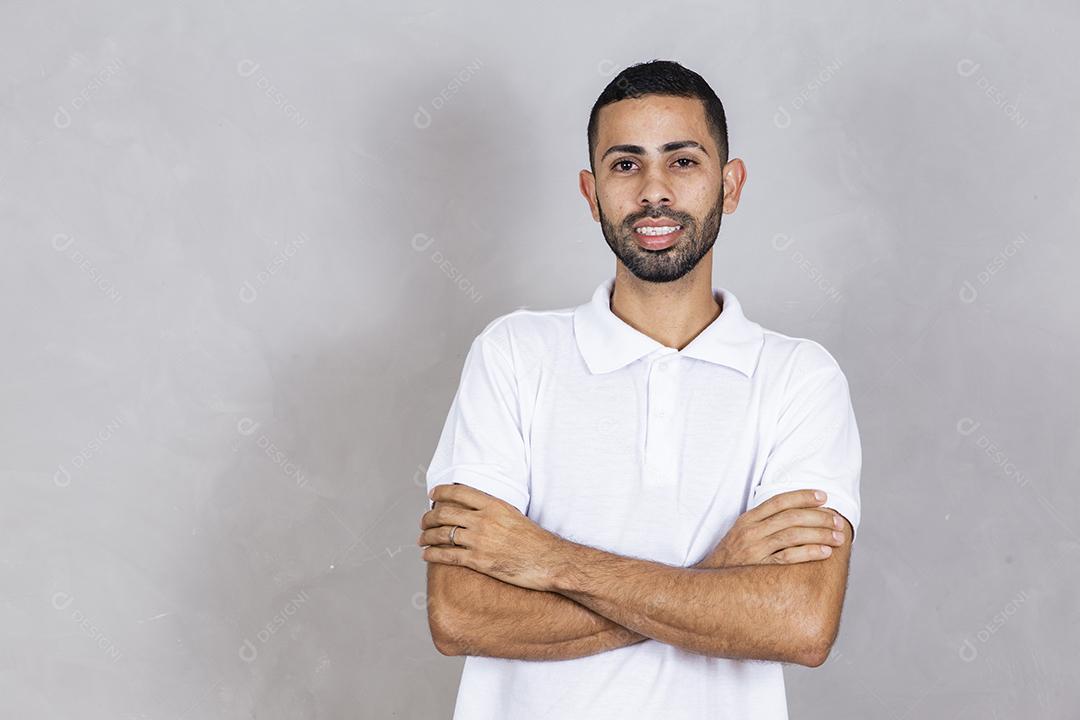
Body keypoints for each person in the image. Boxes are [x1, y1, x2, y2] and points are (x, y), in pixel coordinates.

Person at [418, 59, 862, 720]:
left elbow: (798, 624)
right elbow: (461, 614)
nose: (655, 191)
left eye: (682, 161)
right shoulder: (511, 354)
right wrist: (716, 577)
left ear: (730, 184)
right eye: (626, 165)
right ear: (591, 192)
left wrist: (548, 561)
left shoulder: (800, 377)